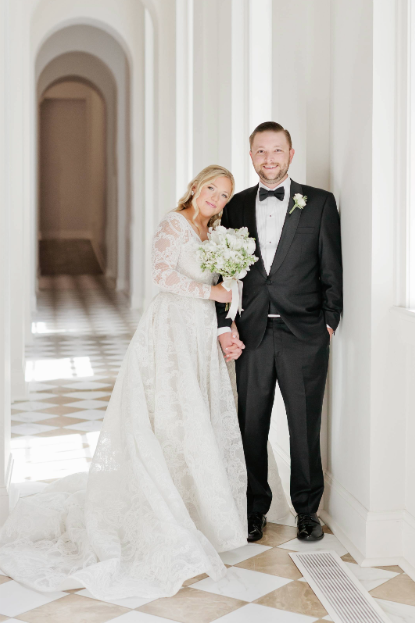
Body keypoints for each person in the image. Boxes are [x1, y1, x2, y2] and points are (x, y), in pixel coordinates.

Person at [0, 166, 253, 602]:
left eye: (225, 194)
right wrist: (211, 294)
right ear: (195, 187)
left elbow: (224, 286)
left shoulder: (215, 232)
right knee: (171, 418)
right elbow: (162, 276)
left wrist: (223, 324)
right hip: (169, 331)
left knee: (199, 417)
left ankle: (195, 507)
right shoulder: (173, 224)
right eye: (212, 188)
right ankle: (162, 508)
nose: (217, 197)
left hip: (198, 336)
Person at [217, 122, 343, 544]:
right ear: (250, 156)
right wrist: (224, 324)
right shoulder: (233, 207)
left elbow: (332, 270)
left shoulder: (321, 203)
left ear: (291, 154)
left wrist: (328, 322)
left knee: (304, 426)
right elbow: (222, 272)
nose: (268, 160)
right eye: (260, 152)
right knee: (250, 423)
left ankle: (307, 511)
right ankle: (254, 510)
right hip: (252, 334)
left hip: (304, 333)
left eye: (276, 151)